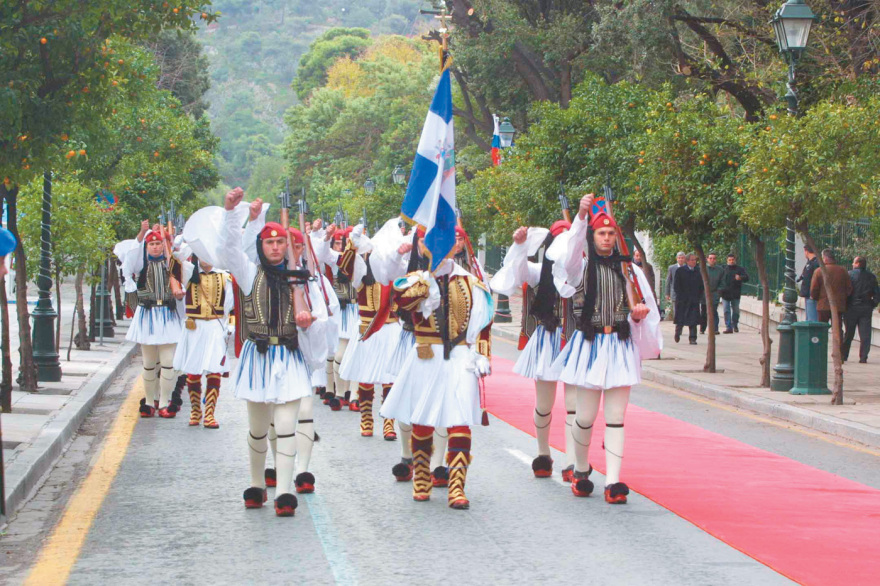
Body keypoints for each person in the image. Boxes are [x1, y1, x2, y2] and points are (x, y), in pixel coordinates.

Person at [218, 187, 327, 517]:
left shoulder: (302, 279)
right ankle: (256, 484)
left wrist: (309, 321)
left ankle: (282, 492)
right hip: (259, 357)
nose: (276, 247)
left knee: (285, 426)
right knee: (258, 427)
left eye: (281, 242)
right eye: (270, 242)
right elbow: (228, 248)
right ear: (261, 246)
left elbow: (323, 319)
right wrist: (232, 212)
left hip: (290, 358)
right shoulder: (249, 272)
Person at [546, 193, 662, 504]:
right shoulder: (579, 268)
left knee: (616, 417)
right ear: (592, 236)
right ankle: (582, 470)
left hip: (619, 344)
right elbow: (567, 254)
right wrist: (582, 217)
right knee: (584, 416)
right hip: (590, 344)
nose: (607, 238)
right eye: (601, 233)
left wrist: (638, 316)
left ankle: (613, 481)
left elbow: (644, 307)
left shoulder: (629, 271)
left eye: (611, 233)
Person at [380, 237, 494, 510]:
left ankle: (457, 486)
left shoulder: (472, 282)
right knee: (422, 419)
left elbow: (483, 322)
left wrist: (482, 354)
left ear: (457, 247)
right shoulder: (414, 280)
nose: (440, 249)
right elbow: (402, 303)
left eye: (446, 243)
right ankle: (421, 475)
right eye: (433, 243)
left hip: (460, 356)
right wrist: (427, 280)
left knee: (460, 420)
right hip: (426, 355)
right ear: (423, 248)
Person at [490, 221, 578, 481]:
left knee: (574, 406)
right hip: (549, 337)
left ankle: (573, 461)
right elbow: (517, 271)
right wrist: (519, 246)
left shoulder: (581, 271)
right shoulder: (540, 271)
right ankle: (543, 453)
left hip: (574, 338)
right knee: (544, 404)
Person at [122, 221, 185, 418]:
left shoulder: (171, 262)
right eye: (152, 244)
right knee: (149, 363)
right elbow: (128, 261)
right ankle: (150, 401)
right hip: (147, 315)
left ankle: (165, 402)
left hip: (167, 314)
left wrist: (170, 241)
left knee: (168, 362)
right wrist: (142, 232)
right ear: (147, 246)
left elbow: (187, 256)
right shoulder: (140, 263)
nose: (155, 246)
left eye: (158, 244)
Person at [171, 252, 234, 429]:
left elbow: (233, 305)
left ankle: (209, 414)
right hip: (194, 327)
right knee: (193, 371)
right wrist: (190, 243)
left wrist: (230, 324)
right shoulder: (189, 272)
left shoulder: (224, 276)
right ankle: (195, 411)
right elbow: (173, 262)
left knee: (214, 369)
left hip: (215, 326)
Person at [811, 249, 852, 342]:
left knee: (821, 328)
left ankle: (820, 346)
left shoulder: (819, 271)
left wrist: (817, 298)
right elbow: (849, 288)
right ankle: (839, 349)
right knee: (837, 328)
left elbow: (814, 289)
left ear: (825, 258)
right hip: (838, 305)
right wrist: (842, 298)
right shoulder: (843, 270)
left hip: (823, 305)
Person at [843, 256, 877, 363]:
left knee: (849, 333)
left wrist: (845, 304)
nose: (852, 264)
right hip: (866, 307)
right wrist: (872, 304)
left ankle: (844, 355)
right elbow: (877, 293)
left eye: (854, 262)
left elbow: (845, 291)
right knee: (865, 334)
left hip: (851, 307)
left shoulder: (849, 275)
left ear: (857, 264)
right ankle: (863, 357)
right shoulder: (871, 276)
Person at [673, 254, 703, 344]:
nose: (694, 262)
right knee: (680, 318)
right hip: (683, 300)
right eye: (692, 260)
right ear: (687, 261)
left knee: (693, 320)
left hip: (694, 300)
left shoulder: (698, 271)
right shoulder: (680, 271)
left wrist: (698, 296)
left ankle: (693, 338)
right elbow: (676, 285)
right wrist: (681, 296)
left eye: (695, 260)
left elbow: (701, 285)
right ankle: (678, 333)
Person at [719, 253, 749, 333]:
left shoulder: (740, 269)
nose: (731, 261)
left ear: (735, 260)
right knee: (726, 310)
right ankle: (728, 327)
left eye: (733, 260)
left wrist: (740, 278)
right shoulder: (723, 268)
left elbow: (746, 277)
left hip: (735, 293)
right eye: (730, 260)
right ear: (727, 260)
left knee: (736, 310)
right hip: (725, 293)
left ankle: (734, 324)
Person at [700, 252, 724, 334]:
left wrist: (718, 292)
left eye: (714, 258)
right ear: (707, 259)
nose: (712, 260)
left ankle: (715, 329)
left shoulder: (720, 270)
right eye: (710, 258)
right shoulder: (703, 268)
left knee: (714, 311)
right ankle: (702, 328)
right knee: (704, 312)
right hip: (704, 293)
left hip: (715, 293)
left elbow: (722, 282)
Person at [797, 245, 820, 321]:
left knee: (812, 318)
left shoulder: (815, 263)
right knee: (809, 316)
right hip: (807, 294)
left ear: (806, 251)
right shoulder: (809, 263)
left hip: (811, 295)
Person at [665, 252, 686, 320]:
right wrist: (667, 293)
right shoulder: (672, 268)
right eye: (679, 258)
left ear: (684, 259)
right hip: (674, 292)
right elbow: (668, 280)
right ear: (677, 259)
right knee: (676, 308)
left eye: (682, 258)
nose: (680, 259)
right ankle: (677, 321)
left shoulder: (687, 268)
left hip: (685, 292)